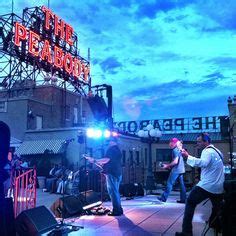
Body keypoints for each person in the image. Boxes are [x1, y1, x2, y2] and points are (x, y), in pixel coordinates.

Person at [176, 133, 225, 236]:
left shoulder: (207, 151)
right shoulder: (218, 152)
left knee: (190, 202)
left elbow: (203, 163)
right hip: (219, 187)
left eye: (199, 141)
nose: (197, 143)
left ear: (206, 142)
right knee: (217, 208)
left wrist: (187, 156)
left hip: (207, 186)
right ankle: (216, 225)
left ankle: (186, 232)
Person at [85, 136, 123, 216]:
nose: (108, 143)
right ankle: (119, 209)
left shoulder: (111, 150)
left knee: (112, 192)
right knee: (115, 192)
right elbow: (106, 162)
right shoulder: (117, 150)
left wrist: (94, 160)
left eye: (109, 141)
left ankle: (116, 210)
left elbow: (106, 160)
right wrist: (95, 161)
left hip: (112, 173)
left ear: (113, 141)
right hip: (117, 173)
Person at [158, 138, 186, 203]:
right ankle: (183, 199)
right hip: (181, 169)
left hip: (176, 170)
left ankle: (163, 198)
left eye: (171, 143)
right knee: (182, 185)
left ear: (174, 143)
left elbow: (175, 162)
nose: (169, 144)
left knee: (169, 183)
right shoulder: (179, 149)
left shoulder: (175, 150)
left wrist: (167, 166)